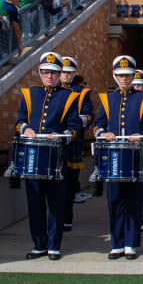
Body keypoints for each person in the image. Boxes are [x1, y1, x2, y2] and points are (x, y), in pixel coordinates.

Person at [15, 52, 82, 261]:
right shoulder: (29, 94)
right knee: (34, 202)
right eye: (46, 72)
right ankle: (39, 244)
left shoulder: (69, 96)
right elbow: (19, 120)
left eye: (54, 73)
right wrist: (25, 129)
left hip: (56, 157)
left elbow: (75, 127)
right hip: (33, 156)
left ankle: (54, 245)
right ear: (40, 73)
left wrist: (61, 136)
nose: (50, 76)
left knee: (55, 202)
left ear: (59, 73)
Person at [93, 55, 143, 260]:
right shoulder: (106, 98)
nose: (124, 79)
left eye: (128, 75)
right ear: (114, 76)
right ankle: (116, 243)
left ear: (133, 76)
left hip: (135, 157)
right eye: (121, 75)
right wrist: (102, 133)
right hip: (112, 157)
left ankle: (130, 243)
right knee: (114, 200)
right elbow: (98, 124)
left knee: (133, 199)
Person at [59, 57, 94, 231]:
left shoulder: (81, 92)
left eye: (69, 72)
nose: (66, 75)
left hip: (72, 140)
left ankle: (66, 218)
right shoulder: (51, 90)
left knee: (70, 181)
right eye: (63, 71)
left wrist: (73, 122)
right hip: (53, 141)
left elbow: (89, 116)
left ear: (74, 73)